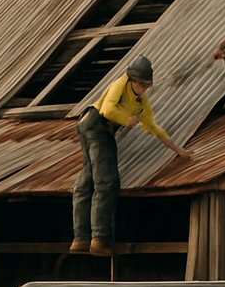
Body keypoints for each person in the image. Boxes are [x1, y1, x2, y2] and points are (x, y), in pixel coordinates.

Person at [70, 55, 193, 257]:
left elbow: (154, 128)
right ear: (132, 80)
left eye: (146, 86)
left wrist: (178, 150)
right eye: (140, 84)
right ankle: (99, 238)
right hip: (97, 125)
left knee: (87, 180)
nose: (143, 89)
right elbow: (108, 109)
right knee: (107, 181)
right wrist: (125, 119)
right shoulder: (120, 84)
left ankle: (80, 238)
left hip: (90, 127)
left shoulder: (141, 103)